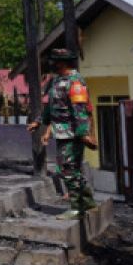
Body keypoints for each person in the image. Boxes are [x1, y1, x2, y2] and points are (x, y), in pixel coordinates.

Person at [29, 48, 98, 217]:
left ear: (63, 62)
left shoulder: (75, 82)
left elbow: (80, 110)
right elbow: (50, 107)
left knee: (68, 168)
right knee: (69, 168)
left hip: (73, 134)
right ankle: (87, 201)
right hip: (61, 132)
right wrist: (39, 122)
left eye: (54, 60)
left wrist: (83, 133)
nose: (51, 63)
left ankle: (77, 207)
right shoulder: (56, 81)